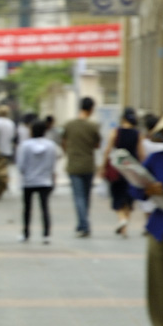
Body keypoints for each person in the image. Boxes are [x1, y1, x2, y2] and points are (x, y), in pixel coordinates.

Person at [128, 107, 163, 326]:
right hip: (160, 228)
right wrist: (148, 189)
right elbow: (135, 188)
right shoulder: (157, 160)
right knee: (158, 282)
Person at [61, 96, 101, 238]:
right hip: (88, 165)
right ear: (91, 109)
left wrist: (69, 152)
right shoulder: (94, 126)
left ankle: (82, 225)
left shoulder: (68, 125)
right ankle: (83, 224)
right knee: (86, 197)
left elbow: (63, 142)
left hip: (73, 165)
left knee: (78, 197)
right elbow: (97, 145)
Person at [16, 121, 60, 244]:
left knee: (27, 209)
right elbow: (53, 164)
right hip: (45, 181)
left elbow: (20, 165)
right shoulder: (51, 145)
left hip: (28, 181)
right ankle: (46, 234)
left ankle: (26, 233)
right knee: (45, 208)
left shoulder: (24, 146)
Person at [99, 107, 140, 237]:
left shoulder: (116, 132)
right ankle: (125, 227)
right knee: (129, 198)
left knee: (117, 197)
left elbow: (107, 150)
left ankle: (122, 219)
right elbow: (141, 153)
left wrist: (103, 166)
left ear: (122, 118)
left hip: (119, 167)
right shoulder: (137, 133)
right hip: (132, 168)